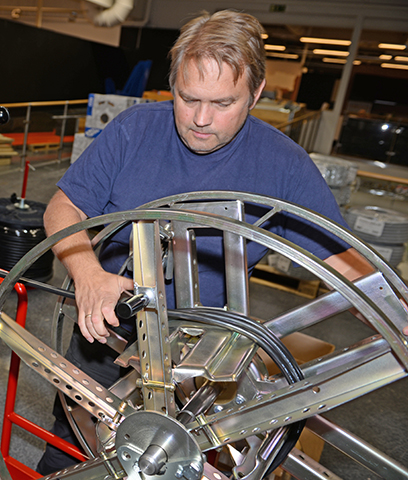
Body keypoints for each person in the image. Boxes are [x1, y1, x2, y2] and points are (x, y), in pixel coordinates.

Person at [36, 9, 375, 474]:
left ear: (256, 92)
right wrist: (88, 274)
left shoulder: (284, 167)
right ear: (172, 84)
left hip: (204, 359)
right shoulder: (134, 131)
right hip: (108, 332)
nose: (200, 119)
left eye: (222, 103)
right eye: (187, 97)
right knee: (73, 448)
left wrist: (395, 313)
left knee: (180, 462)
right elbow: (63, 207)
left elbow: (348, 267)